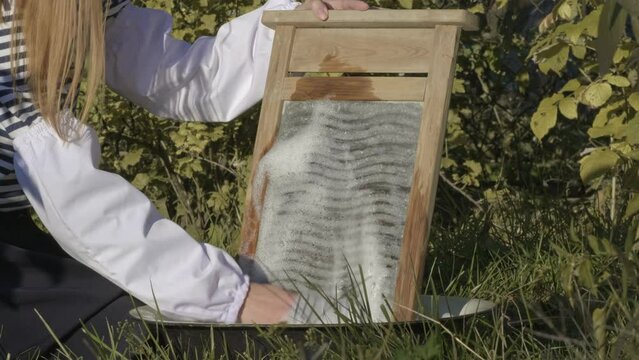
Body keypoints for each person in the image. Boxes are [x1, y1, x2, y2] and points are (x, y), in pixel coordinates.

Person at [0, 0, 368, 357]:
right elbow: (67, 191)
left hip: (16, 237)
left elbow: (180, 78)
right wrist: (227, 296)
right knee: (140, 329)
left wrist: (287, 26)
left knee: (146, 312)